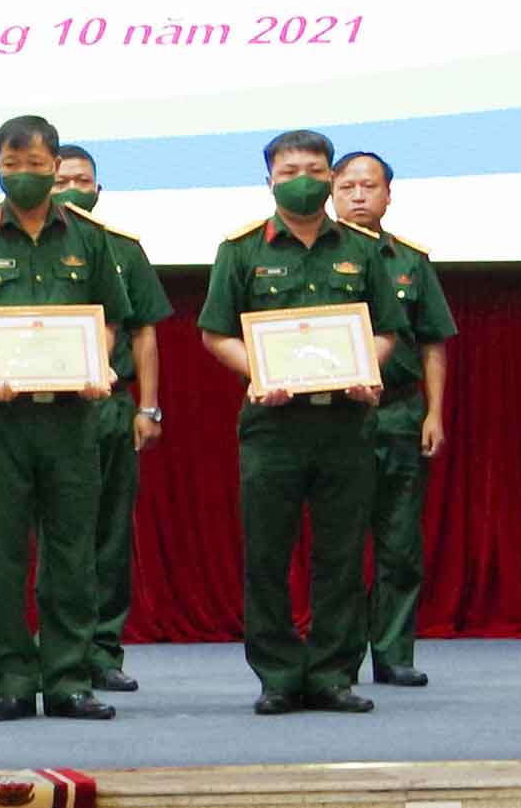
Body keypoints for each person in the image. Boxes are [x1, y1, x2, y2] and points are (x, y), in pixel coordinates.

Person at [0, 116, 129, 723]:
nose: (24, 176)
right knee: (0, 555)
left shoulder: (90, 238)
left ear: (54, 166)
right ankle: (11, 679)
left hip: (72, 419)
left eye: (36, 166)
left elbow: (110, 320)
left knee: (73, 553)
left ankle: (69, 679)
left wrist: (98, 363)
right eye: (11, 166)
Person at [198, 129, 398, 715]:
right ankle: (279, 675)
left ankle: (334, 672)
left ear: (331, 177)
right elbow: (215, 333)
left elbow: (387, 330)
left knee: (342, 554)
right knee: (267, 554)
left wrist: (368, 370)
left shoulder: (362, 249)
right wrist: (258, 370)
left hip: (346, 422)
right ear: (269, 181)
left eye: (314, 171)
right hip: (273, 425)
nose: (302, 181)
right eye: (289, 172)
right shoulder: (241, 250)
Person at [330, 151, 458, 689]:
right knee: (337, 545)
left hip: (401, 412)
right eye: (348, 186)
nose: (359, 195)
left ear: (388, 195)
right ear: (331, 194)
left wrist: (434, 412)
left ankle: (393, 652)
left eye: (370, 186)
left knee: (400, 543)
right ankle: (336, 659)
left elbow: (432, 343)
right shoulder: (314, 259)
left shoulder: (410, 261)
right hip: (335, 417)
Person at [51, 143, 171, 695]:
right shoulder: (23, 246)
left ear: (98, 190)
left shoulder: (122, 249)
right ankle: (53, 650)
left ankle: (102, 650)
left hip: (109, 405)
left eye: (82, 181)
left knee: (109, 533)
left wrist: (148, 406)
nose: (72, 190)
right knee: (52, 536)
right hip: (38, 405)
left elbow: (144, 331)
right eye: (61, 181)